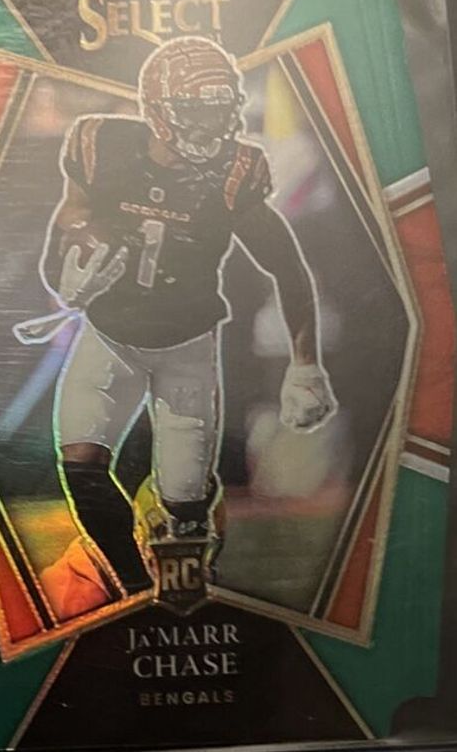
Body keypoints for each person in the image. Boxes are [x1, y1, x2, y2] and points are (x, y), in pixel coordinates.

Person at [39, 36, 336, 599]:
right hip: (109, 337)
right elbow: (71, 217)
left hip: (186, 349)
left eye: (219, 110)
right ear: (157, 107)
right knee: (81, 463)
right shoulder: (100, 144)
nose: (212, 125)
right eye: (196, 110)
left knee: (184, 501)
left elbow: (287, 267)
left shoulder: (234, 173)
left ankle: (184, 555)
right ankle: (134, 587)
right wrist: (67, 270)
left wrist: (305, 364)